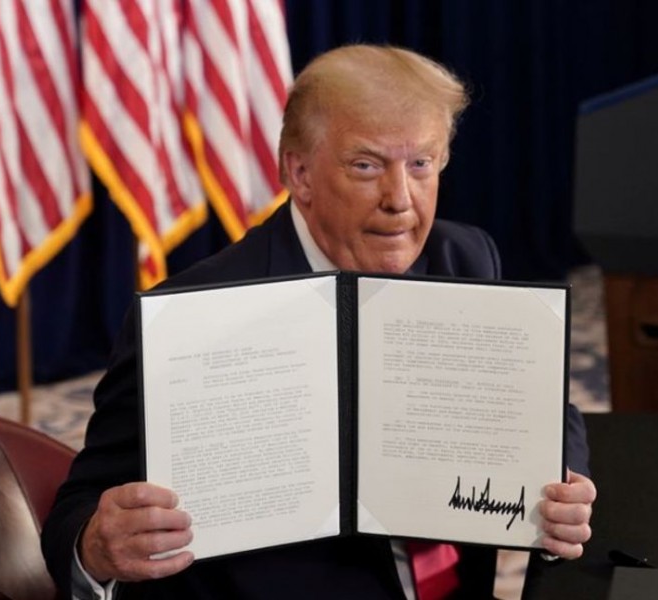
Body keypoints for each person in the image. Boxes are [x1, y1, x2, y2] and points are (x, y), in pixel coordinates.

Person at [42, 43, 596, 600]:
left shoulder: (465, 258)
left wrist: (563, 488)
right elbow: (79, 511)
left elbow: (546, 409)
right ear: (300, 174)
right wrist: (95, 549)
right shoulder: (190, 318)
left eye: (421, 164)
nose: (400, 200)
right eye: (367, 166)